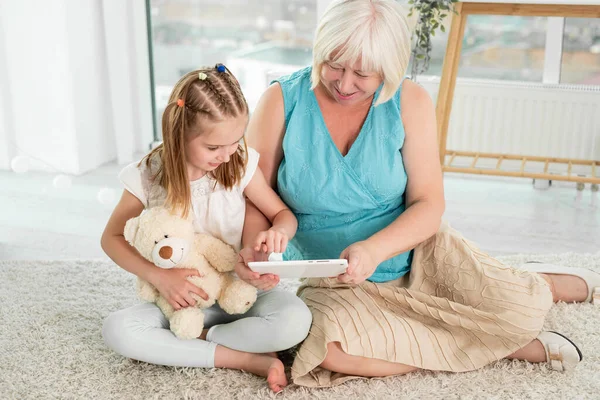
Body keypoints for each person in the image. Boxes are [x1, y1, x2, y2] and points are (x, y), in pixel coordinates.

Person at [237, 0, 599, 388]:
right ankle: (506, 347)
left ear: (389, 69)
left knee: (521, 309)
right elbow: (256, 193)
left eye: (363, 73)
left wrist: (374, 250)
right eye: (334, 65)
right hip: (334, 277)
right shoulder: (281, 101)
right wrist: (253, 252)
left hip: (414, 251)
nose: (344, 84)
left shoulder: (409, 102)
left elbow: (429, 204)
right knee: (327, 350)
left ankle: (541, 283)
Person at [100, 64, 312, 393]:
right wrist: (159, 277)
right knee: (118, 330)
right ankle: (246, 358)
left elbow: (283, 214)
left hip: (238, 293)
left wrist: (277, 233)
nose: (226, 155)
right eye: (214, 148)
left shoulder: (238, 163)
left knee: (296, 321)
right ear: (179, 134)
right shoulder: (148, 175)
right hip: (179, 303)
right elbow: (110, 239)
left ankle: (201, 342)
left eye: (234, 142)